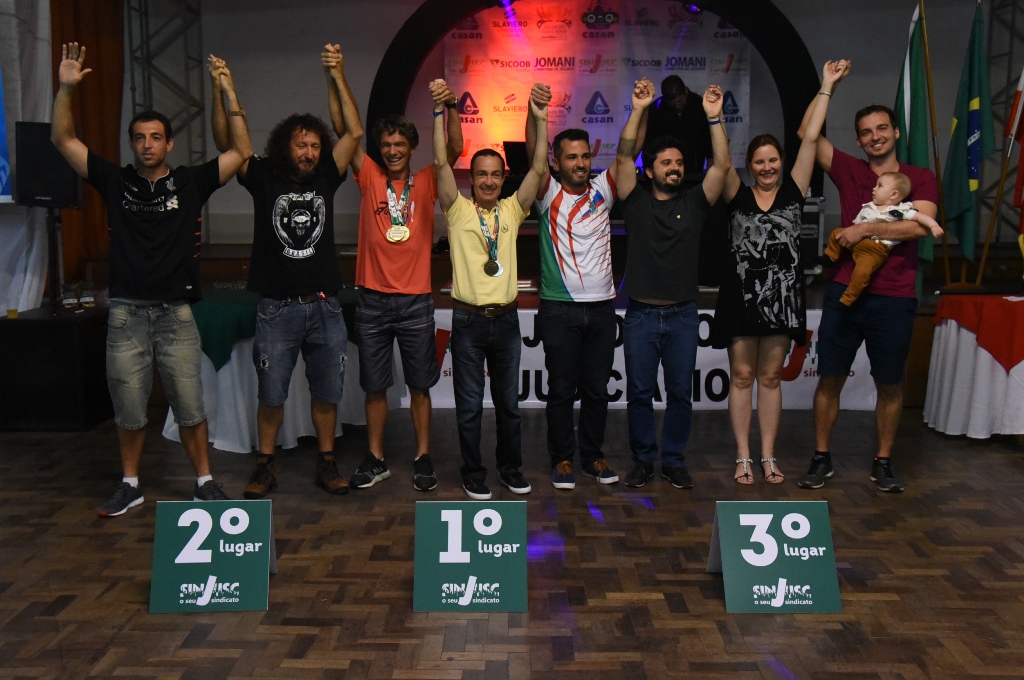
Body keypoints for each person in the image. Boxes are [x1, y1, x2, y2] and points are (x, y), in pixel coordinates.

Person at [51, 43, 251, 516]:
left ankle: (204, 481)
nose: (147, 144)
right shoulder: (114, 180)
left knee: (190, 405)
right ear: (131, 144)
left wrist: (227, 91)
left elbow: (242, 151)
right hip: (126, 315)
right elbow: (62, 139)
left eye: (156, 137)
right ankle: (130, 484)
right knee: (129, 408)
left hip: (176, 314)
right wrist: (66, 88)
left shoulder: (190, 182)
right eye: (139, 138)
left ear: (169, 144)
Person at [207, 47, 362, 499]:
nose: (310, 153)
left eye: (315, 146)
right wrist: (225, 91)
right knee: (271, 393)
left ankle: (327, 462)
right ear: (285, 147)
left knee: (327, 392)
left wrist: (337, 74)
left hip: (325, 306)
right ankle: (265, 465)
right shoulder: (263, 176)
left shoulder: (328, 175)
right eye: (302, 145)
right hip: (276, 309)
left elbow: (353, 131)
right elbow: (228, 144)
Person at [797, 62, 939, 493]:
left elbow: (918, 226)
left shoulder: (920, 178)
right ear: (858, 141)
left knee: (889, 382)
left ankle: (884, 461)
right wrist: (828, 85)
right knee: (830, 378)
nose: (875, 136)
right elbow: (806, 134)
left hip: (895, 296)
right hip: (845, 291)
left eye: (881, 129)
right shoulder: (850, 170)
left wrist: (864, 230)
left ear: (895, 132)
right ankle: (821, 457)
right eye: (866, 132)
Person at [709, 60, 841, 485]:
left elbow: (811, 139)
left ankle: (768, 456)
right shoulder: (736, 193)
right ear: (750, 166)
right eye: (759, 162)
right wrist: (715, 118)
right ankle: (743, 457)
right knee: (742, 376)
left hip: (782, 300)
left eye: (773, 161)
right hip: (741, 300)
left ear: (782, 162)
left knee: (769, 377)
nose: (767, 167)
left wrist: (827, 85)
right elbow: (721, 162)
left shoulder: (794, 191)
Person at [337, 59, 464, 491]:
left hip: (414, 301)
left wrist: (451, 106)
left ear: (412, 149)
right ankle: (375, 459)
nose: (392, 150)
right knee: (374, 387)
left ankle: (423, 456)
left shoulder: (426, 181)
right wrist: (338, 75)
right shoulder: (369, 177)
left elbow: (456, 148)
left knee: (420, 386)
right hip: (372, 300)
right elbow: (347, 131)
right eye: (387, 144)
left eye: (400, 144)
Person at [612, 79, 731, 489]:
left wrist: (713, 118)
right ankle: (644, 459)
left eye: (678, 163)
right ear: (650, 170)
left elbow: (722, 167)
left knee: (680, 393)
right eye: (665, 163)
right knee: (639, 394)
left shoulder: (695, 202)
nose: (674, 168)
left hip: (683, 315)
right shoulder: (634, 200)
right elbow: (623, 156)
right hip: (641, 315)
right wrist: (639, 109)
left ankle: (674, 460)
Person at [434, 81, 548, 500]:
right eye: (480, 174)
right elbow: (440, 163)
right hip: (467, 321)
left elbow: (538, 169)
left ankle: (510, 469)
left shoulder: (513, 210)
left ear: (503, 178)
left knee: (508, 407)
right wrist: (439, 112)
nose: (487, 181)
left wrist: (540, 118)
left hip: (506, 320)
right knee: (468, 408)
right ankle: (472, 472)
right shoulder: (457, 209)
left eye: (495, 174)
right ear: (472, 178)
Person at [524, 86, 640, 490]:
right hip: (559, 310)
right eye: (571, 157)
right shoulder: (548, 193)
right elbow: (532, 155)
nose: (580, 163)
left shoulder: (603, 190)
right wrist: (536, 113)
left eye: (585, 156)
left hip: (603, 309)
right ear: (557, 161)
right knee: (560, 390)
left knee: (596, 391)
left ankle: (592, 457)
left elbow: (627, 153)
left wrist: (638, 109)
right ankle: (562, 460)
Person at [820, 171, 943, 306]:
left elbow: (920, 217)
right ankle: (830, 257)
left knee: (862, 272)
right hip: (857, 241)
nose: (874, 188)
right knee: (836, 233)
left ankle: (848, 298)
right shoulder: (870, 206)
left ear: (894, 194)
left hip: (875, 249)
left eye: (880, 186)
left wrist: (934, 226)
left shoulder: (901, 210)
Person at [644, 75, 713, 181]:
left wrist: (710, 176)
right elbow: (649, 145)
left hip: (695, 173)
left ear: (685, 91)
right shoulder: (656, 109)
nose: (677, 105)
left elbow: (710, 144)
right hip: (665, 176)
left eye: (680, 101)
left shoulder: (701, 106)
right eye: (672, 103)